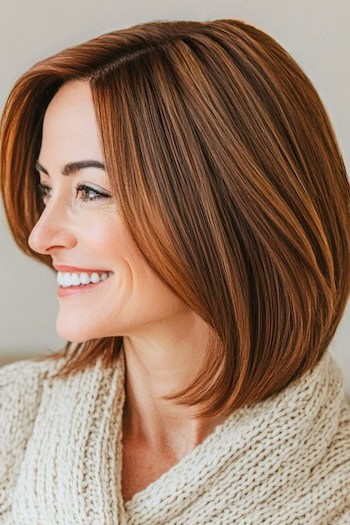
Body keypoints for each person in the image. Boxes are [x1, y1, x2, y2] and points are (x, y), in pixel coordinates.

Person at [0, 18, 349, 524]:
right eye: (46, 189)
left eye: (90, 192)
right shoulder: (12, 418)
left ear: (224, 207)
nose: (40, 235)